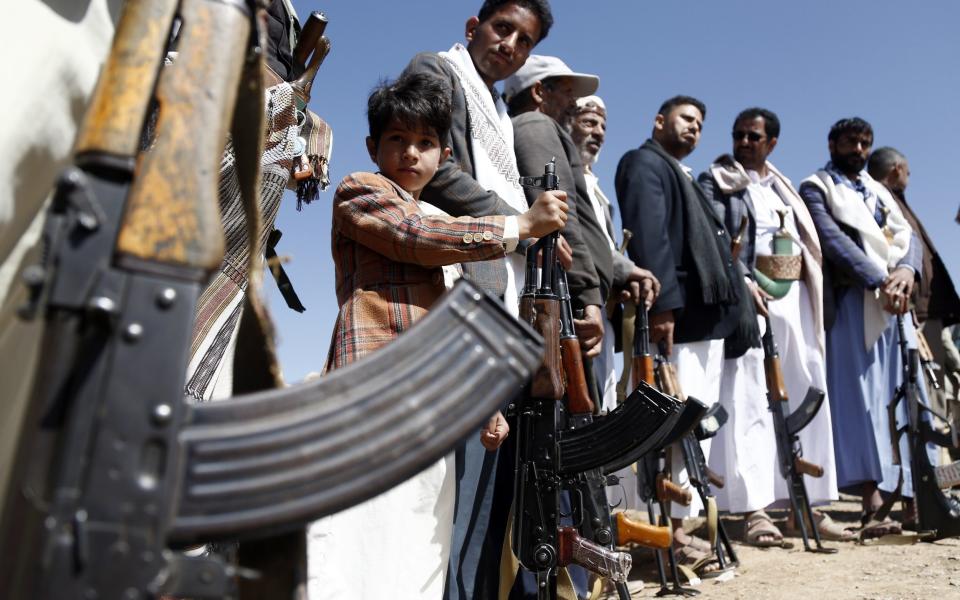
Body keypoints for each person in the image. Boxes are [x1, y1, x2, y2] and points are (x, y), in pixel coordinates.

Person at [307, 72, 568, 599]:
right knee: (358, 536)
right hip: (374, 391)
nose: (410, 153)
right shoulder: (362, 191)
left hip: (435, 402)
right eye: (397, 140)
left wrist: (485, 404)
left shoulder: (443, 220)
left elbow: (458, 322)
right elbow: (416, 238)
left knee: (422, 542)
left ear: (443, 153)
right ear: (372, 148)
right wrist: (519, 226)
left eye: (425, 142)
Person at [399, 4, 567, 598]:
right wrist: (520, 221)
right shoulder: (436, 69)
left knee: (491, 494)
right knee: (456, 492)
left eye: (524, 41)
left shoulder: (497, 105)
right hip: (461, 298)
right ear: (474, 27)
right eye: (503, 29)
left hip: (504, 302)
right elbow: (431, 166)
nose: (510, 45)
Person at [699, 108, 847, 546]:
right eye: (739, 135)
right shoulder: (716, 181)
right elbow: (715, 235)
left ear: (772, 143)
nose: (745, 142)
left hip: (796, 305)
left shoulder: (783, 189)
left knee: (805, 394)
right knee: (748, 403)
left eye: (754, 137)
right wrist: (743, 282)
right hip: (748, 301)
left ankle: (807, 507)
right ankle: (754, 509)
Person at [615, 96, 743, 573]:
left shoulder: (679, 173)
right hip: (676, 320)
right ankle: (668, 535)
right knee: (671, 430)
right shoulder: (644, 163)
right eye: (687, 119)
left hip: (697, 320)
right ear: (659, 120)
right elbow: (651, 238)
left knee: (691, 429)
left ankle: (685, 528)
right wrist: (664, 305)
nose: (694, 129)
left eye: (700, 124)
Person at [799, 117, 923, 536]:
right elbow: (832, 240)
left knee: (904, 398)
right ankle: (873, 498)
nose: (859, 149)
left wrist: (905, 272)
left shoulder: (879, 190)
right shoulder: (816, 186)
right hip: (855, 302)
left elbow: (909, 237)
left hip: (895, 306)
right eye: (851, 141)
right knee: (863, 400)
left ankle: (911, 497)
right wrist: (879, 279)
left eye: (865, 142)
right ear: (832, 143)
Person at [503, 54, 609, 358]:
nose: (573, 103)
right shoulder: (536, 124)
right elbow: (561, 218)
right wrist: (588, 294)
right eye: (566, 92)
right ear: (539, 92)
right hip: (567, 298)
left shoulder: (542, 127)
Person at [568, 95, 660, 412]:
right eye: (589, 123)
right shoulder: (567, 179)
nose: (599, 133)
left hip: (603, 315)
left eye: (603, 126)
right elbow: (583, 240)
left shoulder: (596, 189)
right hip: (576, 309)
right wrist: (628, 270)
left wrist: (621, 280)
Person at [867, 147, 960, 421]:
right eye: (907, 171)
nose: (908, 177)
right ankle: (937, 456)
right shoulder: (881, 202)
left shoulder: (896, 203)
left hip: (931, 311)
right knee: (934, 387)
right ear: (897, 169)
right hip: (916, 313)